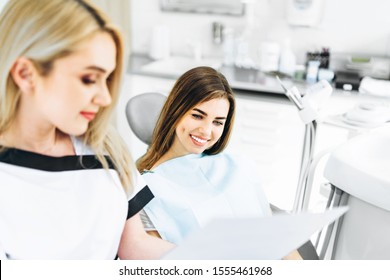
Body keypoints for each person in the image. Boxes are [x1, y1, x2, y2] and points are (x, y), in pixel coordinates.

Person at [0, 0, 173, 259]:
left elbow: (134, 244)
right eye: (89, 79)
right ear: (25, 73)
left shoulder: (105, 147)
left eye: (108, 79)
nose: (105, 98)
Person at [137, 66, 273, 242]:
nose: (206, 131)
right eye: (198, 116)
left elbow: (270, 231)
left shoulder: (237, 165)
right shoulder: (148, 189)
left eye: (217, 122)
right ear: (176, 110)